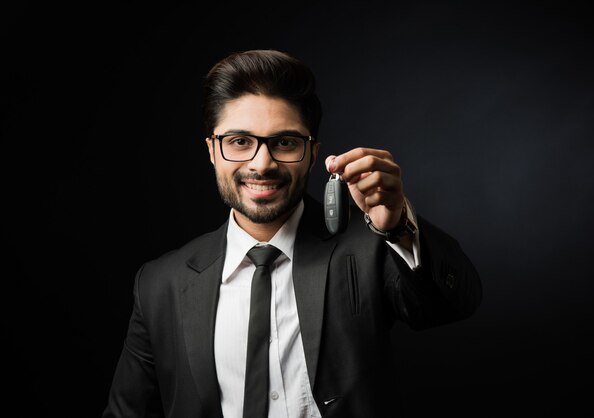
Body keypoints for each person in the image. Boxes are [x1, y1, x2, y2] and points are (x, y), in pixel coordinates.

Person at [102, 49, 482, 418]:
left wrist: (399, 225)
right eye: (239, 141)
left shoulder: (370, 245)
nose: (261, 163)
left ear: (313, 154)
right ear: (212, 152)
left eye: (285, 142)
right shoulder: (159, 284)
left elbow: (454, 304)